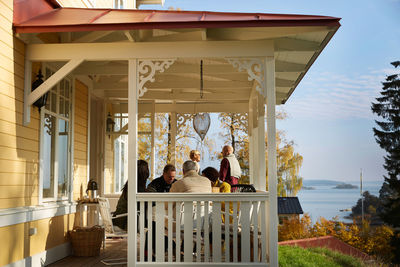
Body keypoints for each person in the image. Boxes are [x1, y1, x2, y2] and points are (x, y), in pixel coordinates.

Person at [113, 159, 149, 231]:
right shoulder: (137, 187)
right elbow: (141, 207)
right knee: (155, 224)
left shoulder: (130, 183)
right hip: (125, 223)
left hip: (118, 220)